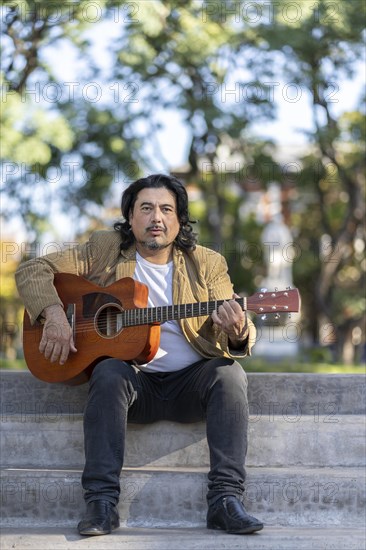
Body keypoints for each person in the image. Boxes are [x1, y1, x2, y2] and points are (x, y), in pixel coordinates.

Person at [15, 173, 263, 536]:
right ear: (130, 218)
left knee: (229, 374)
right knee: (109, 371)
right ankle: (101, 504)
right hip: (134, 387)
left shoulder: (207, 264)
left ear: (179, 221)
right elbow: (33, 269)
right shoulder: (105, 249)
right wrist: (53, 314)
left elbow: (240, 330)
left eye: (166, 209)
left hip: (189, 387)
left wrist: (238, 329)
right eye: (146, 208)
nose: (156, 218)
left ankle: (225, 501)